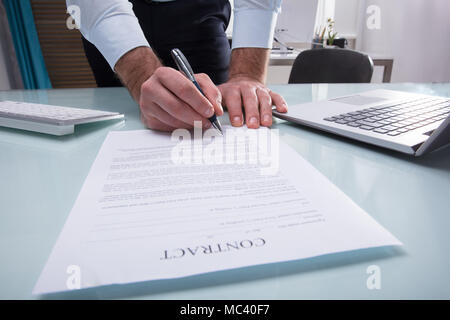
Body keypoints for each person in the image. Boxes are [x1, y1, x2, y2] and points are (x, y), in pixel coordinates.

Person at [67, 0, 288, 131]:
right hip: (111, 16)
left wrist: (246, 75)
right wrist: (139, 76)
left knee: (216, 111)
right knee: (119, 125)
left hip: (204, 12)